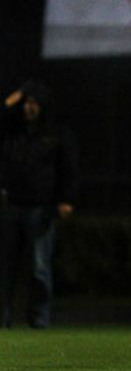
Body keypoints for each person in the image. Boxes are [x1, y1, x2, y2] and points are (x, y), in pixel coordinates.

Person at [0, 80, 78, 329]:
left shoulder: (56, 133)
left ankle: (39, 319)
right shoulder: (13, 131)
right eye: (26, 103)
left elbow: (69, 168)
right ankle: (4, 318)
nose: (28, 108)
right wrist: (13, 99)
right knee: (5, 267)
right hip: (11, 204)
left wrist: (66, 199)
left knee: (39, 267)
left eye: (34, 103)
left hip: (40, 207)